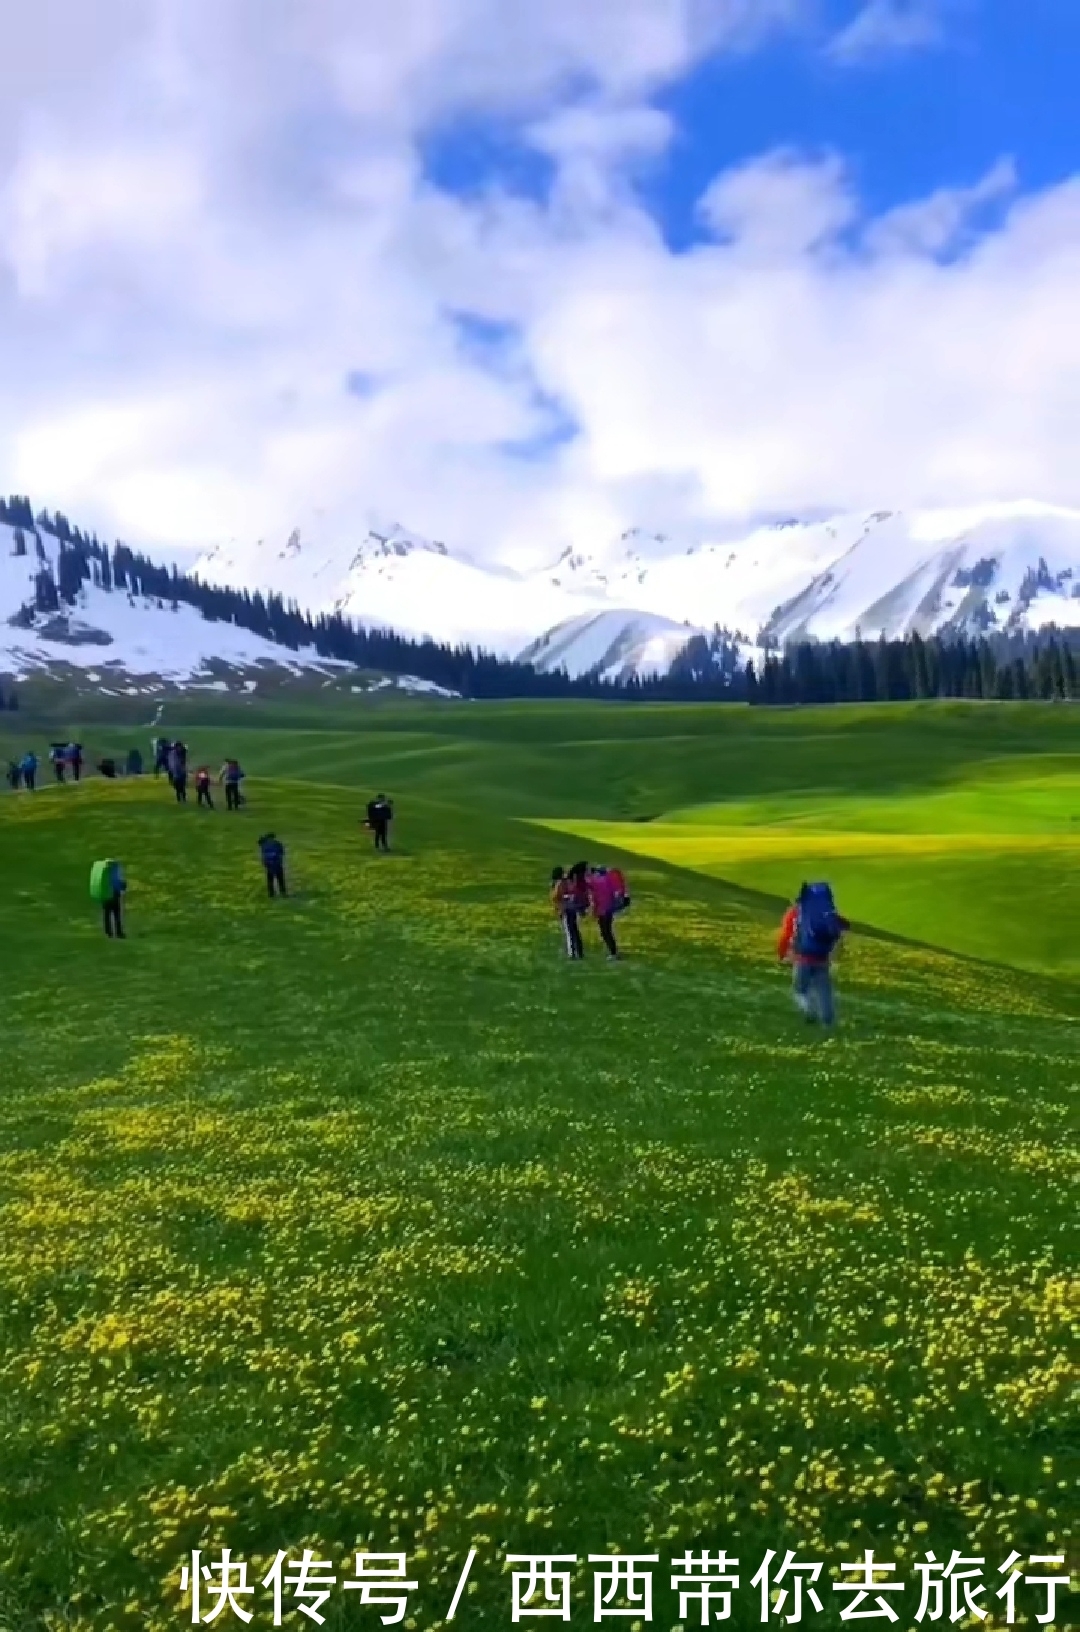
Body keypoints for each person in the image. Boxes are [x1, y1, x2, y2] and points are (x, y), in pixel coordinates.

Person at [777, 881, 850, 1029]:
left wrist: (782, 953)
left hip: (803, 958)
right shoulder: (826, 912)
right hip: (822, 959)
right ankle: (828, 1021)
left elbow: (786, 934)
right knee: (824, 991)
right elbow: (842, 927)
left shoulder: (795, 913)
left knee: (800, 989)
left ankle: (809, 1009)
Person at [587, 866, 620, 960]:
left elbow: (590, 885)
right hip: (609, 909)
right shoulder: (609, 881)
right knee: (608, 931)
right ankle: (613, 951)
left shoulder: (597, 882)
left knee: (605, 932)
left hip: (602, 910)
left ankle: (613, 952)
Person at [90, 857, 126, 938]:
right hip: (113, 894)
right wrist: (123, 886)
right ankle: (118, 932)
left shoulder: (102, 870)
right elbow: (116, 883)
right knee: (116, 914)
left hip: (104, 894)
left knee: (106, 914)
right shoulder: (113, 869)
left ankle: (108, 932)